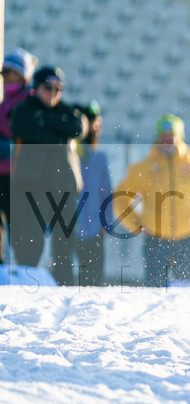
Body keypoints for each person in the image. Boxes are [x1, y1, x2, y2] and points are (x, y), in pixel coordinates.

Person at [112, 114, 190, 287]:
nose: (167, 140)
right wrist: (135, 224)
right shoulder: (143, 168)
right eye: (164, 136)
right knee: (154, 290)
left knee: (186, 291)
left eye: (171, 136)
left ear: (180, 138)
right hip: (155, 241)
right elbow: (120, 198)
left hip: (186, 240)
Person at [9, 66, 87, 285]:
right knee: (29, 242)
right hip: (32, 186)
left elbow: (79, 127)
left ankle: (63, 285)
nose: (54, 93)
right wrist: (60, 131)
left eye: (59, 88)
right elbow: (30, 129)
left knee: (65, 243)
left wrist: (48, 120)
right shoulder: (24, 110)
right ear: (36, 87)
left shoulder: (65, 109)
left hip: (63, 186)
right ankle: (27, 285)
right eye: (48, 87)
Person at [0, 48, 39, 263]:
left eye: (9, 71)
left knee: (19, 227)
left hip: (18, 175)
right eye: (3, 72)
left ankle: (27, 268)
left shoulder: (28, 102)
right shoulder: (6, 101)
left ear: (22, 75)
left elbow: (22, 137)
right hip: (3, 172)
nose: (4, 76)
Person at [73, 100, 112, 286]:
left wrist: (106, 222)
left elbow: (106, 193)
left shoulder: (99, 157)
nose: (99, 127)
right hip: (68, 225)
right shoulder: (69, 152)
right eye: (96, 122)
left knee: (94, 279)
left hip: (94, 226)